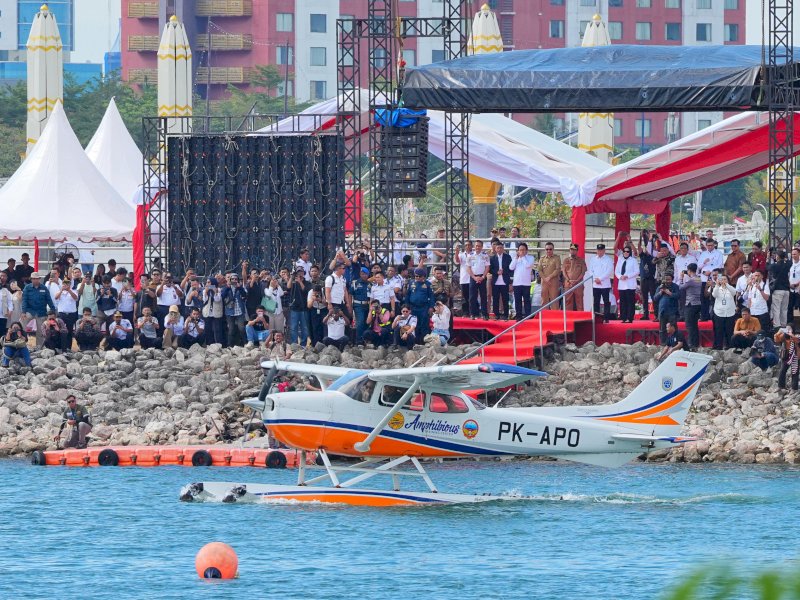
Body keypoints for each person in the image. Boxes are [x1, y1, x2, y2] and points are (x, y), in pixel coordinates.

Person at [21, 272, 56, 348]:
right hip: (30, 311)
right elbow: (24, 300)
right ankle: (21, 343)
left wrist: (53, 311)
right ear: (31, 279)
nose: (35, 280)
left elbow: (49, 300)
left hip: (41, 312)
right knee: (21, 323)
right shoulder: (27, 288)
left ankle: (40, 347)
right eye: (33, 279)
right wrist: (23, 312)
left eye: (37, 279)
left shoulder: (44, 288)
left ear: (39, 279)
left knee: (41, 330)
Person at [698, 238, 724, 321]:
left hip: (716, 278)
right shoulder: (703, 254)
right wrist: (704, 263)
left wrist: (711, 271)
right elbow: (699, 266)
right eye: (708, 245)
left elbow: (720, 266)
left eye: (711, 245)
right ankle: (704, 316)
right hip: (704, 278)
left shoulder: (719, 253)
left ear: (714, 245)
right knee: (704, 297)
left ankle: (716, 316)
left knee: (716, 297)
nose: (709, 247)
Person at [588, 244, 614, 323]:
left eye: (601, 250)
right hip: (595, 284)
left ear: (604, 250)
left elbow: (609, 271)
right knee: (596, 301)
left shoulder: (608, 259)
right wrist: (596, 279)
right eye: (598, 250)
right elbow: (590, 270)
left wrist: (600, 279)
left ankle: (606, 318)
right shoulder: (593, 259)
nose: (599, 251)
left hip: (605, 284)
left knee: (606, 301)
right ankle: (596, 318)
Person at [510, 242, 536, 320]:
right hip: (517, 283)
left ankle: (528, 316)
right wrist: (516, 258)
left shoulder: (530, 258)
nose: (522, 251)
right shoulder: (516, 258)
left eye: (523, 250)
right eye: (520, 250)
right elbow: (511, 267)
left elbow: (528, 265)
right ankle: (518, 316)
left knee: (526, 300)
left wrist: (523, 257)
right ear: (518, 251)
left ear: (526, 250)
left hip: (526, 283)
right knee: (517, 301)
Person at [679, 263, 702, 351]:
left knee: (689, 325)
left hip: (690, 304)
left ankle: (691, 343)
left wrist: (681, 278)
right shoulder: (698, 279)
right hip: (697, 303)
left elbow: (681, 287)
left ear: (689, 270)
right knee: (694, 325)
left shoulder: (691, 280)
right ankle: (695, 343)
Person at [711, 274, 737, 350]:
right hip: (719, 313)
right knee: (719, 331)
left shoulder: (730, 288)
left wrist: (727, 284)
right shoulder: (717, 288)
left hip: (730, 313)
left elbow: (734, 292)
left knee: (729, 331)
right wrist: (717, 284)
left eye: (725, 279)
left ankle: (729, 346)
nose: (723, 281)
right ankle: (718, 347)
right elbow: (714, 295)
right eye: (721, 279)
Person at [406, 267, 434, 338]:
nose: (417, 278)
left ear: (424, 276)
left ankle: (424, 341)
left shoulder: (428, 284)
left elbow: (431, 296)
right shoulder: (411, 283)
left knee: (424, 325)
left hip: (424, 308)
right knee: (414, 324)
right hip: (413, 307)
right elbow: (408, 295)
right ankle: (415, 341)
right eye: (416, 276)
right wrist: (407, 306)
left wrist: (431, 307)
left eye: (419, 276)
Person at [221, 274, 248, 347]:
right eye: (232, 279)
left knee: (241, 328)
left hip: (239, 310)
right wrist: (227, 287)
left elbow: (245, 296)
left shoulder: (240, 287)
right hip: (230, 311)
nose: (234, 281)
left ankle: (245, 343)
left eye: (236, 279)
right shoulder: (226, 288)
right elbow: (222, 296)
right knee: (231, 329)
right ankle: (230, 345)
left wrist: (240, 288)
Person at [653, 272, 680, 343]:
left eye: (669, 279)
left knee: (673, 328)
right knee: (662, 329)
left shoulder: (675, 286)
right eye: (666, 279)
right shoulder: (660, 287)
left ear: (672, 279)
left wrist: (669, 293)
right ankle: (663, 343)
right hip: (662, 311)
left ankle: (675, 343)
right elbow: (655, 298)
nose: (667, 281)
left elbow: (678, 296)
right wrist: (660, 292)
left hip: (672, 311)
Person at [467, 240, 490, 319]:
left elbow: (487, 267)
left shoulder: (485, 255)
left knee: (483, 296)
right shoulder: (470, 255)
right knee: (472, 296)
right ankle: (473, 314)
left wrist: (483, 277)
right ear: (474, 246)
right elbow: (468, 268)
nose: (477, 247)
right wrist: (474, 277)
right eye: (476, 246)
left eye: (479, 246)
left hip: (482, 277)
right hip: (473, 277)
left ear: (482, 247)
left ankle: (484, 314)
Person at [287, 268, 310, 346]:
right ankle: (294, 344)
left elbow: (305, 290)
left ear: (304, 273)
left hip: (304, 308)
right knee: (293, 327)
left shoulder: (307, 282)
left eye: (301, 272)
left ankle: (303, 344)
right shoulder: (293, 282)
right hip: (294, 308)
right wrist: (291, 277)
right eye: (298, 272)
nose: (300, 274)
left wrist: (300, 281)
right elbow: (288, 287)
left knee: (304, 328)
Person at [489, 242, 513, 319]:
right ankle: (496, 315)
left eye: (501, 248)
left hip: (505, 281)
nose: (499, 249)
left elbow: (511, 269)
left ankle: (506, 315)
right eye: (498, 248)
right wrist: (496, 272)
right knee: (495, 299)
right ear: (495, 249)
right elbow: (490, 269)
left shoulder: (508, 257)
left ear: (503, 249)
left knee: (505, 299)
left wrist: (503, 272)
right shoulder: (492, 258)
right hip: (495, 281)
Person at [615, 246, 638, 323]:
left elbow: (637, 271)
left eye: (628, 251)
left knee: (630, 302)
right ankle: (623, 317)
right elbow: (616, 271)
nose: (626, 253)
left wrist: (628, 276)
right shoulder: (620, 260)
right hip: (622, 284)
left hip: (630, 284)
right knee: (623, 302)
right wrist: (620, 276)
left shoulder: (633, 260)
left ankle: (630, 317)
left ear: (630, 252)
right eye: (624, 251)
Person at [768, 249, 791, 329]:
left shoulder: (774, 265)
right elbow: (789, 262)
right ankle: (784, 325)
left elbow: (767, 267)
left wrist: (768, 259)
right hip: (786, 290)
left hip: (778, 289)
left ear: (777, 256)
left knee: (776, 308)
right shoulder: (788, 264)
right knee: (784, 309)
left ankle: (777, 326)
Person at [349, 267, 372, 343]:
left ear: (368, 274)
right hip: (358, 305)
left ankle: (365, 340)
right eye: (362, 274)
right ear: (360, 274)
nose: (364, 275)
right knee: (360, 322)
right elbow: (350, 294)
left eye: (365, 274)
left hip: (367, 305)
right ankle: (358, 341)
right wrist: (349, 305)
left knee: (367, 323)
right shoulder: (355, 283)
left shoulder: (370, 284)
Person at [562, 243, 587, 311]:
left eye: (574, 250)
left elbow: (583, 272)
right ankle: (568, 318)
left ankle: (581, 319)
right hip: (568, 284)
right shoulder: (566, 260)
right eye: (571, 249)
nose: (573, 251)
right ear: (569, 250)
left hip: (578, 284)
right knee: (568, 301)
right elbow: (564, 272)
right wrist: (569, 280)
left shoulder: (581, 260)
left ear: (577, 251)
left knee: (579, 302)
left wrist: (577, 281)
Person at [774, 325, 800, 390]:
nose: (787, 329)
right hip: (786, 355)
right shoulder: (783, 336)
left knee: (795, 372)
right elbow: (776, 340)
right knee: (782, 370)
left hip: (795, 355)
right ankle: (781, 386)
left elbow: (797, 340)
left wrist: (791, 334)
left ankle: (794, 388)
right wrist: (778, 332)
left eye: (789, 328)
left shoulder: (796, 335)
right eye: (787, 328)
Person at [537, 242, 561, 308]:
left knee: (554, 300)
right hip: (544, 282)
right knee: (544, 300)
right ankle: (545, 317)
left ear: (553, 249)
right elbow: (539, 270)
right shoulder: (542, 258)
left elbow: (558, 269)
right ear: (545, 250)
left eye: (550, 249)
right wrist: (545, 279)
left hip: (553, 282)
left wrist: (549, 277)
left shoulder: (556, 258)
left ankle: (555, 317)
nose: (548, 251)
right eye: (547, 249)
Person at [453, 240, 473, 316]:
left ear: (472, 246)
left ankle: (472, 312)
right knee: (464, 297)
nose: (467, 246)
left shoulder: (474, 254)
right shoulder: (461, 254)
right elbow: (457, 261)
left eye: (469, 245)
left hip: (472, 278)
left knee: (472, 296)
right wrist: (456, 252)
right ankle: (465, 312)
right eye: (466, 245)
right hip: (464, 279)